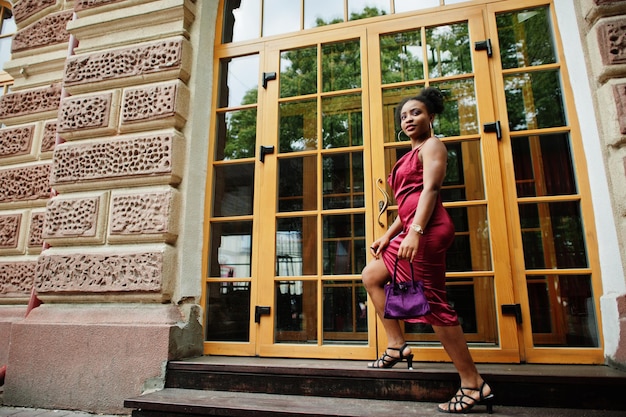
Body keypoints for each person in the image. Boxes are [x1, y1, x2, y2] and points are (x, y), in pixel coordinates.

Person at [361, 87, 494, 414]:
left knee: (433, 302)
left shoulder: (433, 145)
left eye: (416, 113)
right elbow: (405, 204)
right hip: (410, 229)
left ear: (431, 116)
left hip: (429, 229)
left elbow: (430, 190)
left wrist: (415, 232)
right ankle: (397, 345)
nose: (409, 119)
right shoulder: (408, 154)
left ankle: (473, 383)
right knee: (371, 275)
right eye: (404, 115)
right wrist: (390, 234)